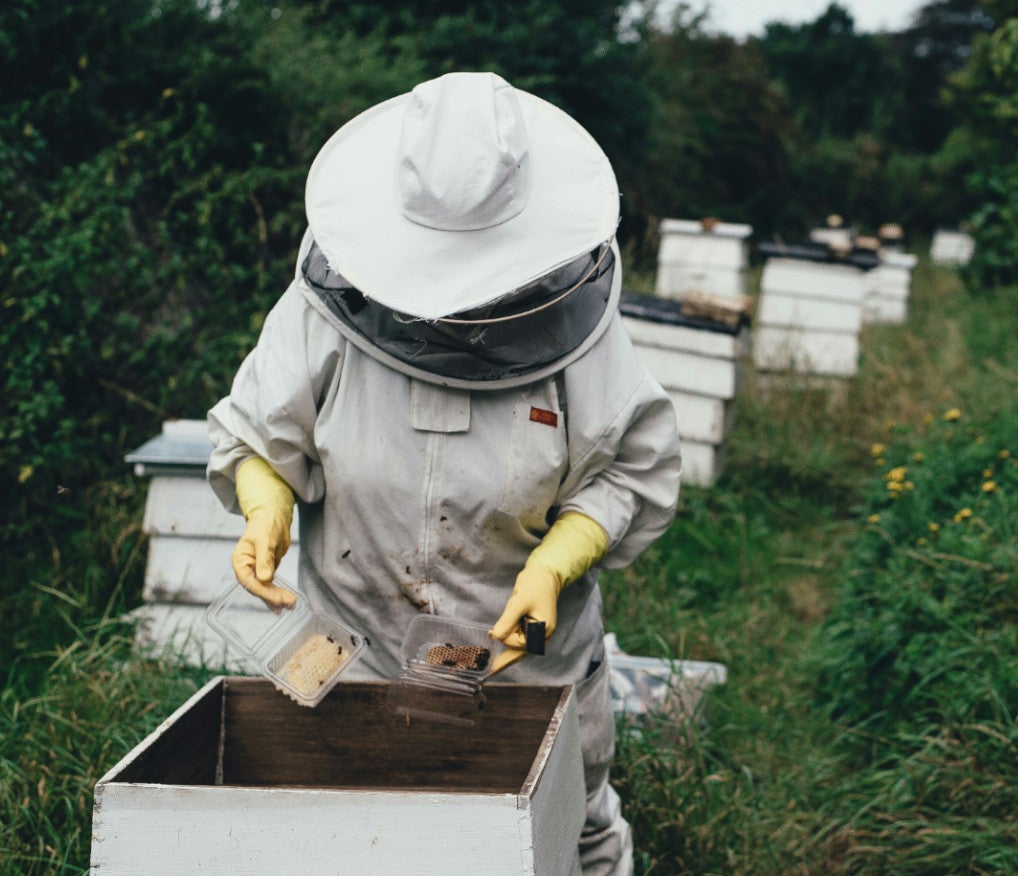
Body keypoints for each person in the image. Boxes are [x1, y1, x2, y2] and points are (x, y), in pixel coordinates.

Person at [206, 71, 681, 875]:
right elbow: (261, 433)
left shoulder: (581, 335)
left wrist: (554, 562)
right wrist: (265, 507)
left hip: (524, 662)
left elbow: (628, 472)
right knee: (369, 842)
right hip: (351, 653)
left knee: (567, 829)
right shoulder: (321, 314)